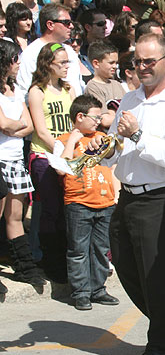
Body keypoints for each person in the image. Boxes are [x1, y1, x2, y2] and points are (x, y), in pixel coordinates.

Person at [92, 32, 165, 355]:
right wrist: (105, 150)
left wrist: (138, 135)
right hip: (128, 195)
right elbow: (117, 144)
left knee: (155, 276)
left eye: (148, 61)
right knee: (125, 266)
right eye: (137, 61)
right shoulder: (130, 99)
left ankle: (161, 346)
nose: (142, 67)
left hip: (159, 197)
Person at [53, 95, 118, 310]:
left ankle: (97, 289)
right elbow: (61, 167)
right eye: (95, 117)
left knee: (100, 248)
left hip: (104, 201)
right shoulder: (62, 141)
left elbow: (115, 159)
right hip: (78, 203)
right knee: (79, 249)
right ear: (80, 116)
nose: (98, 121)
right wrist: (74, 138)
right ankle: (80, 292)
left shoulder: (101, 136)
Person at [28, 42, 77, 284]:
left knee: (68, 211)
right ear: (48, 64)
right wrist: (60, 149)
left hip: (67, 156)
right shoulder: (37, 91)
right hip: (45, 157)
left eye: (68, 61)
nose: (67, 67)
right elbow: (41, 130)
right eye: (63, 62)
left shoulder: (69, 89)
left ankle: (68, 261)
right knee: (51, 210)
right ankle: (51, 261)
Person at [0, 40, 45, 288]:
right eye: (14, 59)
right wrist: (13, 126)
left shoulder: (17, 92)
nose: (18, 64)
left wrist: (12, 126)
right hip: (0, 159)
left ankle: (24, 268)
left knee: (15, 216)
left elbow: (27, 126)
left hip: (15, 159)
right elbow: (6, 124)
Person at [16, 4, 82, 102]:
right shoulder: (30, 54)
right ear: (50, 25)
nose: (71, 26)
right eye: (66, 22)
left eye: (71, 22)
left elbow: (78, 84)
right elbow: (24, 91)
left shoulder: (70, 51)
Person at [84, 40, 124, 128]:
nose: (115, 66)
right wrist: (123, 116)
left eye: (116, 63)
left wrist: (112, 113)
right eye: (111, 63)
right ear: (96, 63)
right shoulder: (93, 87)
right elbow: (104, 120)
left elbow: (130, 110)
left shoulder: (117, 84)